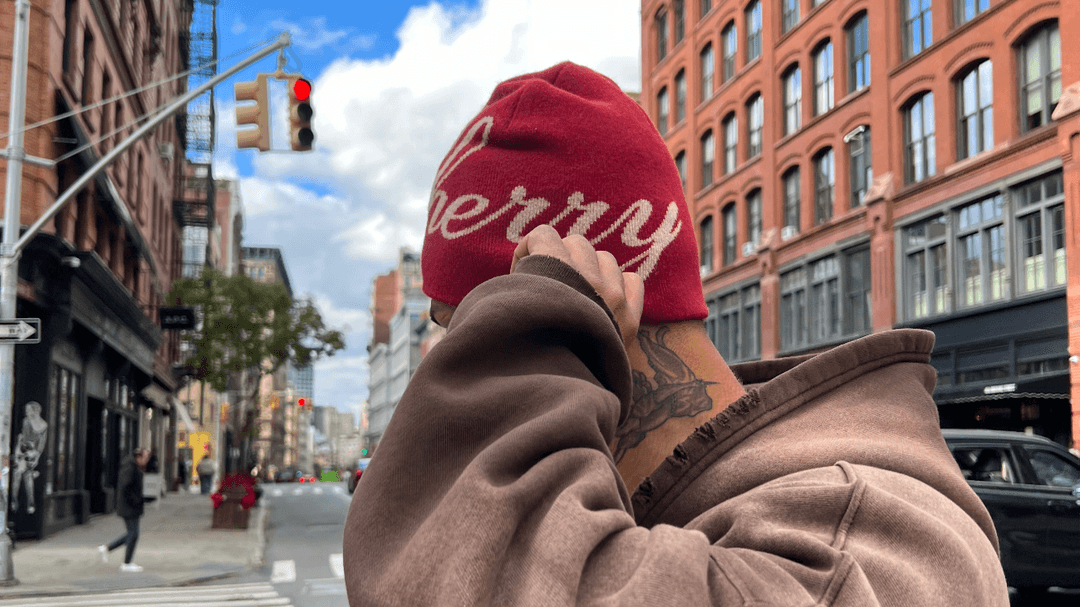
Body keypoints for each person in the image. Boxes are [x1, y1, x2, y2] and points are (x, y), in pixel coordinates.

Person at [342, 62, 1009, 606]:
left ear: (580, 315)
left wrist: (524, 338)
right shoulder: (709, 510)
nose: (455, 354)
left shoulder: (855, 544)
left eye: (463, 326)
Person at [98, 448, 150, 572]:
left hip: (130, 506)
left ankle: (108, 549)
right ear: (138, 457)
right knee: (133, 534)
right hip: (129, 507)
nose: (147, 460)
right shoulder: (130, 468)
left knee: (132, 533)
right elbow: (126, 488)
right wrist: (137, 500)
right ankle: (126, 563)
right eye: (145, 457)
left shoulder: (132, 466)